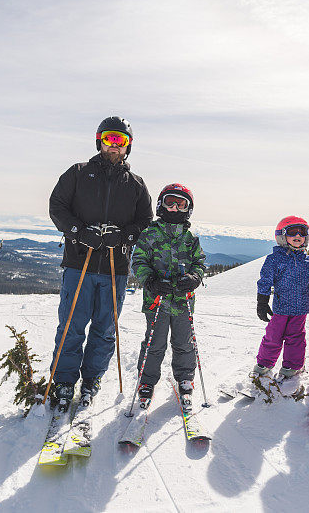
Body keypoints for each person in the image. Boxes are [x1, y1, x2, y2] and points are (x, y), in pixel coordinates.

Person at [48, 116, 152, 407]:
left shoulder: (135, 184)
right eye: (109, 139)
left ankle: (92, 379)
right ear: (99, 140)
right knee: (71, 325)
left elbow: (145, 221)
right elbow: (57, 207)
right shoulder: (78, 173)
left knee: (105, 328)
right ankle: (65, 381)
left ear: (128, 146)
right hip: (78, 264)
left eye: (121, 141)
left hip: (114, 267)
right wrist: (79, 232)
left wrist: (125, 236)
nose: (114, 146)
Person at [131, 183, 206, 410]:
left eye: (180, 204)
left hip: (183, 301)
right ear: (161, 205)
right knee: (155, 342)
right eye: (169, 202)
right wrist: (151, 281)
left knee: (184, 342)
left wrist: (194, 277)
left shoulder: (190, 236)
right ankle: (147, 381)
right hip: (157, 299)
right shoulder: (150, 234)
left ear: (188, 208)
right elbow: (139, 261)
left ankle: (184, 378)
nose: (174, 208)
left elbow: (199, 262)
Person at [254, 216, 309, 381]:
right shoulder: (274, 259)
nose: (298, 236)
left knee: (296, 338)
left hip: (301, 308)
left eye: (302, 232)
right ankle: (264, 363)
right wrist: (262, 301)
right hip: (281, 308)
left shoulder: (308, 261)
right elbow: (265, 280)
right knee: (273, 336)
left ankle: (292, 366)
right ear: (282, 236)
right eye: (292, 232)